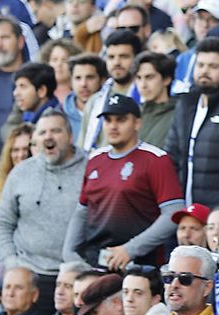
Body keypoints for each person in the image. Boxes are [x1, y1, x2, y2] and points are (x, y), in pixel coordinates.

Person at [65, 92, 182, 269]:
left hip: (139, 264)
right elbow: (83, 209)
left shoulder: (156, 159)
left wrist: (130, 249)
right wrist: (69, 252)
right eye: (108, 120)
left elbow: (173, 213)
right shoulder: (96, 158)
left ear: (137, 123)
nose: (113, 126)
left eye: (121, 120)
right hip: (95, 260)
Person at [0, 109, 85, 294]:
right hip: (27, 275)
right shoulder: (21, 172)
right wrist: (12, 263)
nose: (48, 137)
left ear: (70, 136)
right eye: (42, 133)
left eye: (56, 131)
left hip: (74, 279)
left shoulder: (91, 170)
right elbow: (1, 222)